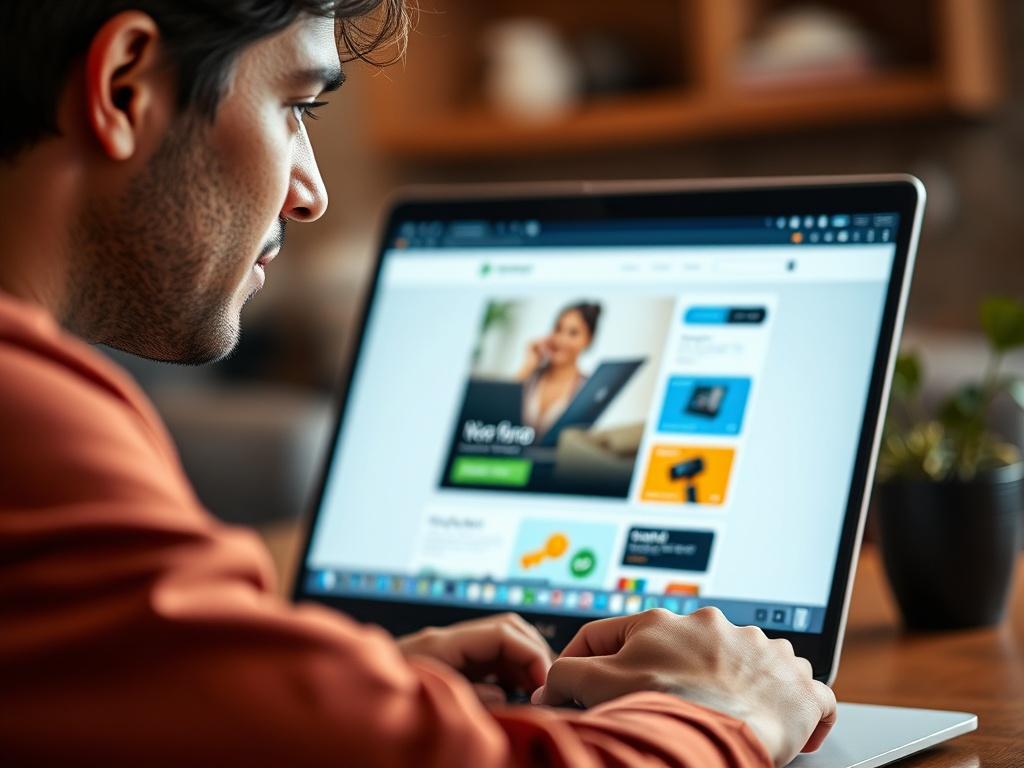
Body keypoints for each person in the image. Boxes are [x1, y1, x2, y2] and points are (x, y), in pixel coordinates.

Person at [0, 2, 836, 766]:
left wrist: (337, 702)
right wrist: (724, 709)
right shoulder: (29, 418)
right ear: (122, 88)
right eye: (295, 105)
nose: (311, 193)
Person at [517, 301, 600, 437]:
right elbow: (497, 413)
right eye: (558, 329)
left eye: (573, 333)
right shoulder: (531, 376)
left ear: (588, 340)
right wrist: (528, 366)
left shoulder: (588, 389)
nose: (561, 339)